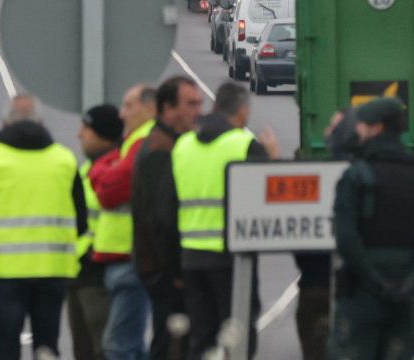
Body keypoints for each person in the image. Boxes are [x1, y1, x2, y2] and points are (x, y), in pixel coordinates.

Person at [0, 94, 88, 360]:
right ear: (41, 121)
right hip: (53, 270)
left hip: (4, 272)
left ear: (6, 122)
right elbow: (81, 218)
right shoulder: (64, 160)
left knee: (5, 346)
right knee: (46, 347)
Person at [330, 97, 414, 360]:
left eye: (362, 125)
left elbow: (345, 237)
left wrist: (374, 281)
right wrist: (410, 284)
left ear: (376, 129)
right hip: (406, 299)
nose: (357, 130)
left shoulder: (357, 176)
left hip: (363, 297)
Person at [169, 82, 278, 357]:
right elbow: (268, 200)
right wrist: (272, 159)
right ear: (242, 111)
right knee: (237, 337)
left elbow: (171, 206)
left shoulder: (183, 146)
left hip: (191, 257)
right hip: (232, 258)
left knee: (201, 338)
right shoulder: (244, 145)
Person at [132, 76, 204, 360]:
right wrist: (176, 272)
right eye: (190, 104)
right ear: (167, 109)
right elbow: (160, 219)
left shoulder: (173, 143)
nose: (198, 110)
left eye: (199, 103)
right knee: (169, 344)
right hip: (162, 269)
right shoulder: (160, 151)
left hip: (164, 266)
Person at [85, 83, 157, 360]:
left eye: (129, 106)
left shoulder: (143, 142)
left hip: (131, 255)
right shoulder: (133, 142)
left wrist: (101, 169)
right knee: (130, 344)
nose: (122, 115)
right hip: (123, 255)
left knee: (119, 346)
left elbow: (109, 191)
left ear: (150, 108)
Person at [293, 108, 359, 360]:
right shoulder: (369, 174)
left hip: (317, 287)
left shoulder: (316, 177)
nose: (325, 132)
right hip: (360, 291)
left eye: (332, 129)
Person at [72, 104, 123, 360]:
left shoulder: (115, 172)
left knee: (104, 349)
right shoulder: (85, 170)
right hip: (79, 272)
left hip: (99, 272)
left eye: (86, 129)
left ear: (103, 134)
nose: (80, 135)